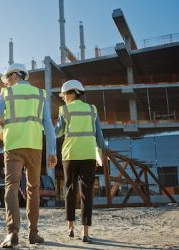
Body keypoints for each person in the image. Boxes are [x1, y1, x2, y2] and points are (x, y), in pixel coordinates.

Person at [0, 63, 57, 248]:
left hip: (12, 146)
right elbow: (48, 126)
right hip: (34, 146)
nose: (6, 84)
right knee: (33, 189)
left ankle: (12, 233)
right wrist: (52, 151)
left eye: (7, 79)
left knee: (11, 186)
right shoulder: (40, 94)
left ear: (14, 76)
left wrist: (1, 133)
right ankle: (33, 234)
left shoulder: (6, 93)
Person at [55, 79, 106, 243]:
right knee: (87, 194)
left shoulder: (64, 111)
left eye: (64, 95)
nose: (63, 98)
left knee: (70, 190)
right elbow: (99, 136)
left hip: (70, 156)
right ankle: (85, 232)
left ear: (73, 93)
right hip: (88, 155)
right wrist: (99, 155)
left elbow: (57, 133)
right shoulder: (92, 109)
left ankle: (70, 228)